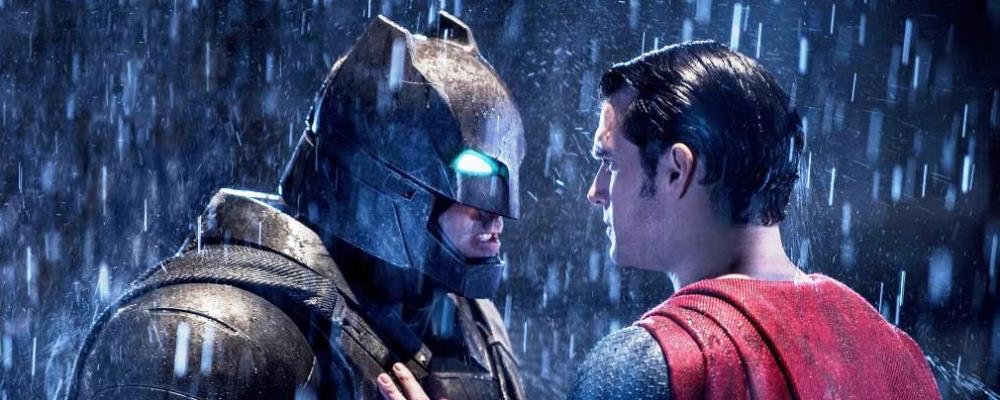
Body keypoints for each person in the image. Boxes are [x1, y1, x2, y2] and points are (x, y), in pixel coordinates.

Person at [377, 41, 940, 400]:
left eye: (609, 163)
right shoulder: (895, 353)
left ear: (676, 171)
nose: (595, 192)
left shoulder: (650, 367)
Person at [68, 12, 526, 400]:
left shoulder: (473, 333)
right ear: (389, 186)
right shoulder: (214, 334)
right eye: (474, 189)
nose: (497, 217)